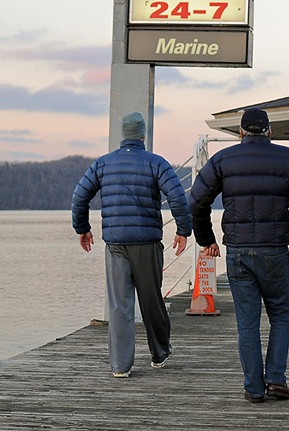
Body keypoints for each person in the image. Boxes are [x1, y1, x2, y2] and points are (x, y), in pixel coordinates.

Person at [188, 107, 289, 403]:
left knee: (247, 323)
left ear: (240, 132)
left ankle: (253, 388)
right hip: (274, 251)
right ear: (269, 131)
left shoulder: (222, 160)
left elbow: (197, 200)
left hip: (238, 253)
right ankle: (275, 379)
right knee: (282, 315)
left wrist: (206, 240)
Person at [71, 112, 192, 378]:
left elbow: (79, 197)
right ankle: (159, 353)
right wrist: (183, 230)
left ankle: (120, 366)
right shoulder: (156, 163)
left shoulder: (102, 164)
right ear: (143, 135)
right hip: (147, 243)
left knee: (119, 305)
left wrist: (83, 228)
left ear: (123, 134)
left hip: (115, 243)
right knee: (151, 301)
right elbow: (177, 197)